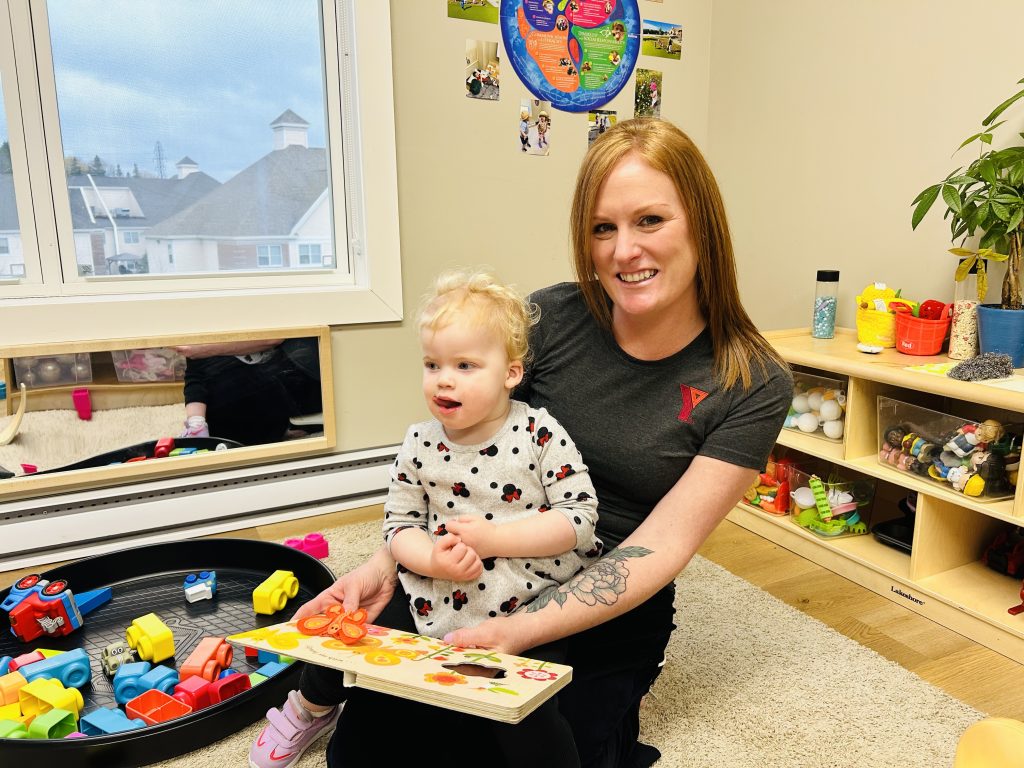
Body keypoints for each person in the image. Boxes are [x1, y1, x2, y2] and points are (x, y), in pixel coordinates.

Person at [296, 117, 793, 767]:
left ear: (701, 222)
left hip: (605, 607)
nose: (623, 251)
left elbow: (663, 543)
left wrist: (519, 632)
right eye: (602, 228)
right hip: (483, 567)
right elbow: (457, 461)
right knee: (369, 755)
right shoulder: (551, 318)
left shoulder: (752, 381)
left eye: (650, 221)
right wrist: (388, 563)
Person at [249, 270, 602, 768]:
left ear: (511, 374)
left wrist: (497, 538)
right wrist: (432, 559)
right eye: (432, 363)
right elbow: (399, 529)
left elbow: (579, 519)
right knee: (353, 633)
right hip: (433, 588)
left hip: (527, 596)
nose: (444, 379)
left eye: (465, 364)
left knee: (527, 718)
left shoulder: (541, 434)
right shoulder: (420, 442)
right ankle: (311, 707)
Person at [177, 337, 321, 446]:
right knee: (198, 364)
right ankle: (196, 425)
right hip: (234, 417)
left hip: (283, 391)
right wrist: (197, 422)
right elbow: (194, 376)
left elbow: (273, 339)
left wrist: (202, 349)